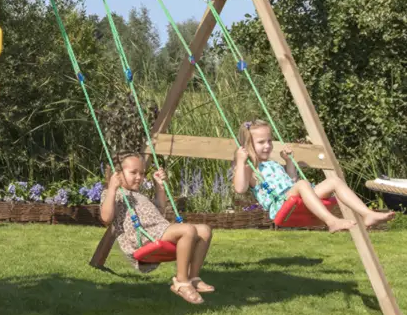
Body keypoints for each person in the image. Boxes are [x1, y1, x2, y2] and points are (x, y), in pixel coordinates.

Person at [232, 119, 395, 232]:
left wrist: (289, 162)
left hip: (296, 196)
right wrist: (240, 162)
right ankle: (331, 221)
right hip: (280, 204)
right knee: (302, 184)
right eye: (261, 142)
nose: (267, 146)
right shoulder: (250, 168)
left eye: (269, 141)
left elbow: (292, 181)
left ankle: (368, 214)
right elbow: (240, 188)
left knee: (334, 181)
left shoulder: (273, 163)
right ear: (247, 145)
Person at [101, 152, 214, 305]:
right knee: (188, 230)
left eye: (141, 173)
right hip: (142, 236)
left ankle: (193, 277)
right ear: (117, 174)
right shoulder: (113, 194)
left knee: (205, 230)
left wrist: (159, 187)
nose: (139, 177)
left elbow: (159, 210)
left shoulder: (139, 196)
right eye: (133, 172)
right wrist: (113, 188)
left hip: (159, 229)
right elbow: (106, 218)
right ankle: (181, 282)